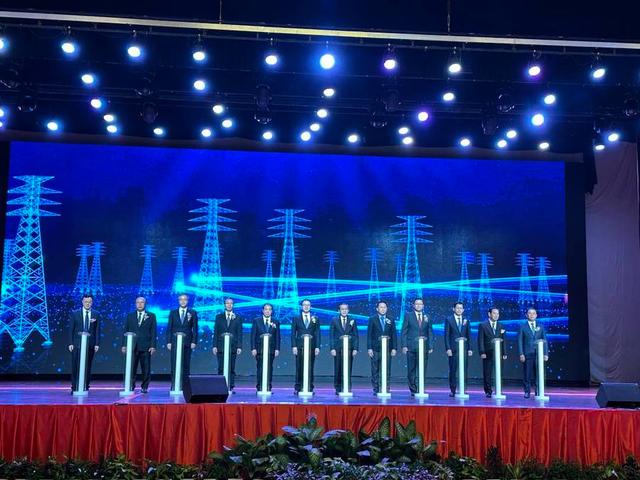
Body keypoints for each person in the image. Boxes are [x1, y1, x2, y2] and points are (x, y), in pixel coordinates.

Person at [121, 296, 157, 393]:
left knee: (146, 368)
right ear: (135, 304)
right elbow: (126, 330)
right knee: (131, 367)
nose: (140, 304)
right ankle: (130, 385)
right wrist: (124, 345)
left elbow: (153, 332)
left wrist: (153, 345)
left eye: (142, 302)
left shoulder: (151, 316)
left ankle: (144, 386)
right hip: (132, 346)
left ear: (145, 304)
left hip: (146, 346)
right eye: (138, 302)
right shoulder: (130, 316)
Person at [400, 298, 434, 396]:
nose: (419, 305)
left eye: (420, 304)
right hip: (411, 347)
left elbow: (430, 332)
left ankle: (421, 388)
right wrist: (404, 345)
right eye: (417, 304)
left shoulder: (427, 316)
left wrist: (430, 345)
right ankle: (413, 389)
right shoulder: (408, 316)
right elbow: (404, 331)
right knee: (411, 369)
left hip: (424, 347)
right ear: (414, 305)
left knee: (422, 368)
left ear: (423, 306)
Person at [68, 294, 101, 393]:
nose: (87, 303)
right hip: (77, 344)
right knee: (75, 365)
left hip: (90, 344)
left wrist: (97, 344)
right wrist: (70, 343)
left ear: (92, 302)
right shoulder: (75, 313)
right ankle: (74, 387)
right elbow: (71, 329)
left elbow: (97, 330)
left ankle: (86, 385)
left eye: (89, 302)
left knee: (88, 365)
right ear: (82, 302)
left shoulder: (96, 314)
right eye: (86, 302)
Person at [166, 293, 198, 390]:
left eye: (185, 299)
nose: (183, 301)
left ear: (187, 301)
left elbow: (195, 328)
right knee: (174, 363)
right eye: (181, 299)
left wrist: (194, 341)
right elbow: (169, 328)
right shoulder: (173, 312)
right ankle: (174, 384)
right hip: (175, 342)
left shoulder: (192, 312)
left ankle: (185, 386)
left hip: (187, 342)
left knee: (186, 364)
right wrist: (169, 342)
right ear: (178, 301)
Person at [213, 297, 243, 393]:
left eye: (231, 303)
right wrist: (214, 346)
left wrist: (239, 346)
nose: (229, 305)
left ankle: (230, 386)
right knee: (221, 367)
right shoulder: (219, 317)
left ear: (233, 305)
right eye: (227, 303)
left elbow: (239, 333)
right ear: (224, 305)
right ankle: (220, 386)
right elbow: (216, 332)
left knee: (231, 367)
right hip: (221, 346)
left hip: (233, 346)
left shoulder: (238, 318)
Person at [367, 300, 397, 395]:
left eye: (384, 307)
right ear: (377, 309)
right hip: (375, 349)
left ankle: (386, 387)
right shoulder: (372, 319)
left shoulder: (391, 319)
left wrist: (394, 348)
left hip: (387, 349)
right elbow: (369, 334)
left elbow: (394, 334)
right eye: (381, 307)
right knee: (375, 369)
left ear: (387, 308)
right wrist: (369, 348)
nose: (383, 309)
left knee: (387, 369)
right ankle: (376, 388)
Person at [517, 307, 549, 398]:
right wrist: (521, 353)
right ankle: (527, 391)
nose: (532, 315)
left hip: (539, 353)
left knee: (539, 373)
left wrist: (546, 353)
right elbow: (520, 341)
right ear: (526, 315)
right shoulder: (522, 327)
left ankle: (538, 391)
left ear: (536, 315)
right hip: (527, 353)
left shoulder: (541, 326)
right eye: (530, 313)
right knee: (527, 374)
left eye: (533, 313)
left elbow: (545, 340)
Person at [291, 299, 321, 394]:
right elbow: (293, 333)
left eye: (308, 305)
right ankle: (298, 387)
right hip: (299, 346)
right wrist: (294, 346)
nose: (306, 306)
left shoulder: (315, 318)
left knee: (310, 366)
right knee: (299, 366)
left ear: (310, 306)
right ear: (302, 306)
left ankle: (309, 386)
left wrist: (317, 347)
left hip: (311, 346)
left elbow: (317, 333)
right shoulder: (296, 318)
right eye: (304, 305)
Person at [329, 302, 359, 395]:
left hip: (349, 348)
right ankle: (338, 387)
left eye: (346, 309)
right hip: (338, 348)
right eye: (342, 309)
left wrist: (355, 348)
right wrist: (332, 348)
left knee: (348, 367)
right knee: (338, 368)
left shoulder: (352, 320)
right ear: (339, 310)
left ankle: (347, 387)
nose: (344, 311)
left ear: (348, 310)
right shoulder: (334, 320)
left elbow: (355, 335)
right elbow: (331, 335)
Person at [444, 301, 473, 397]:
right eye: (457, 308)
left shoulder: (466, 320)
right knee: (453, 370)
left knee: (464, 370)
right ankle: (453, 390)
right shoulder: (449, 320)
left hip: (464, 349)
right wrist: (448, 348)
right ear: (454, 309)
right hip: (453, 349)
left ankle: (463, 389)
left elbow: (469, 335)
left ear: (463, 310)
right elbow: (447, 335)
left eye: (461, 308)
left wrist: (470, 348)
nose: (459, 310)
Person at [477, 306, 507, 398]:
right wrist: (482, 352)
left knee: (499, 372)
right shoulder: (483, 325)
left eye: (497, 313)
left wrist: (504, 352)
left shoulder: (501, 325)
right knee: (487, 372)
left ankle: (499, 389)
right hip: (487, 352)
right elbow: (480, 340)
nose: (496, 315)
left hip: (498, 352)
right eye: (494, 313)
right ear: (489, 314)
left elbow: (504, 340)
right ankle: (488, 391)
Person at [250, 303, 281, 392]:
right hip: (259, 349)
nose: (267, 311)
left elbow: (277, 336)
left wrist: (277, 348)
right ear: (263, 310)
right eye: (266, 309)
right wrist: (253, 348)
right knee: (260, 367)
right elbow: (253, 335)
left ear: (272, 311)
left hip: (271, 349)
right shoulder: (256, 321)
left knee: (269, 367)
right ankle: (259, 386)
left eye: (269, 309)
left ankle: (268, 386)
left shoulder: (275, 321)